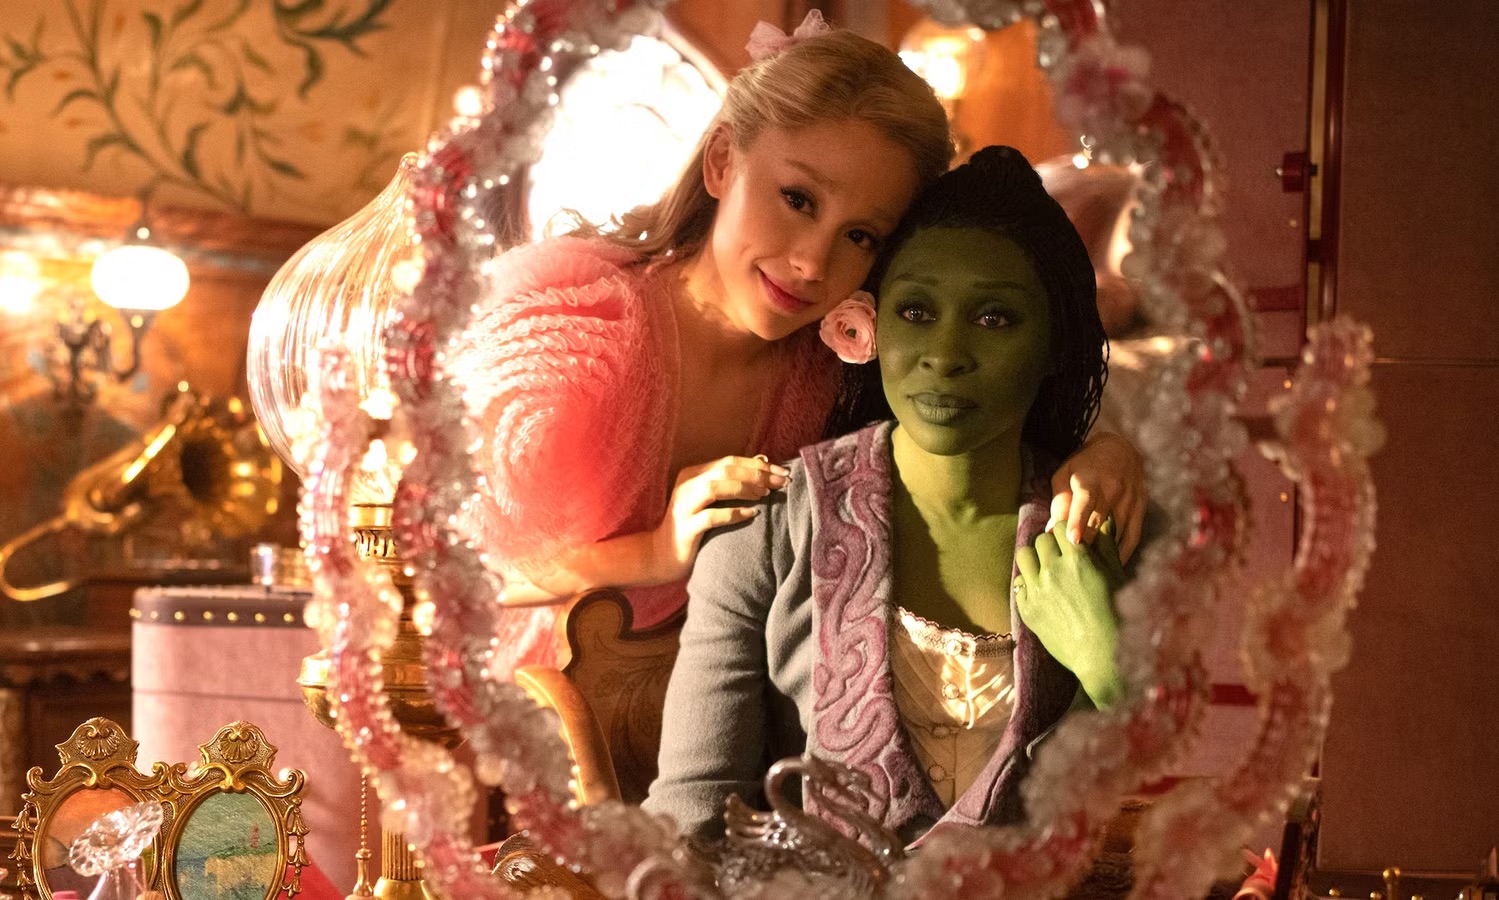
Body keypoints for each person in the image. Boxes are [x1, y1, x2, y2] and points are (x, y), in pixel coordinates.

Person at [455, 13, 1144, 672]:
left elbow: (991, 432)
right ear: (722, 161)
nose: (813, 263)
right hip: (525, 704)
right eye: (798, 199)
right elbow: (446, 565)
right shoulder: (572, 336)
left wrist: (1105, 455)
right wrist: (653, 551)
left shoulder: (836, 363)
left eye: (860, 235)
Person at [643, 146, 1126, 845]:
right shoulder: (765, 528)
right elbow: (691, 823)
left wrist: (1112, 673)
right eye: (916, 311)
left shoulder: (1104, 527)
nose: (945, 355)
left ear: (1055, 342)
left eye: (994, 319)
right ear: (868, 325)